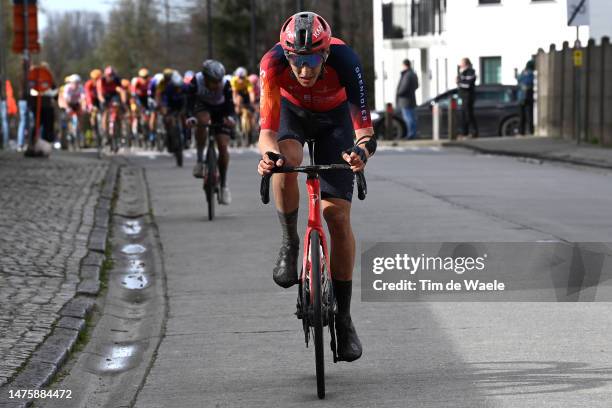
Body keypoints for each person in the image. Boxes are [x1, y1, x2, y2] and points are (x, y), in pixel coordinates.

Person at [256, 12, 376, 362]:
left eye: (311, 60)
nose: (304, 69)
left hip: (334, 121)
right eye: (297, 59)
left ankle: (344, 318)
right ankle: (290, 242)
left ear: (325, 54)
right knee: (284, 161)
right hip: (292, 117)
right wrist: (269, 156)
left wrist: (360, 153)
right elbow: (266, 132)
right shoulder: (272, 62)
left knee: (336, 216)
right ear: (286, 54)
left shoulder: (347, 60)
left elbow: (365, 131)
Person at [185, 60, 235, 205]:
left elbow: (230, 104)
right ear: (205, 78)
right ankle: (200, 161)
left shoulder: (225, 83)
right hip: (202, 106)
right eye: (213, 81)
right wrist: (190, 117)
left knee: (223, 146)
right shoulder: (196, 80)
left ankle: (224, 186)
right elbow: (189, 100)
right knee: (203, 121)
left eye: (218, 81)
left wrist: (231, 118)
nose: (216, 84)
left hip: (221, 110)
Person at [396, 59, 419, 139]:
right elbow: (416, 86)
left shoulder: (407, 75)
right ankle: (413, 133)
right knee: (412, 118)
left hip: (405, 100)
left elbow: (404, 88)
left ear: (405, 65)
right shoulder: (413, 74)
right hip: (412, 99)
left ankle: (411, 134)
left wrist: (399, 93)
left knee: (408, 118)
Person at [457, 58, 478, 138]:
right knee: (463, 115)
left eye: (461, 63)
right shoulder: (462, 72)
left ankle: (473, 132)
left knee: (469, 115)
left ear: (465, 63)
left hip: (468, 97)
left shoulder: (470, 72)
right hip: (462, 97)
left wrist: (459, 82)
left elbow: (468, 85)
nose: (460, 65)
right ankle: (464, 132)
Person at [517, 60, 535, 135]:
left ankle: (521, 131)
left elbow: (518, 80)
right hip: (528, 94)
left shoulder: (522, 73)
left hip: (521, 96)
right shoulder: (531, 73)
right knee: (530, 114)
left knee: (522, 115)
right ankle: (531, 131)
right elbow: (530, 82)